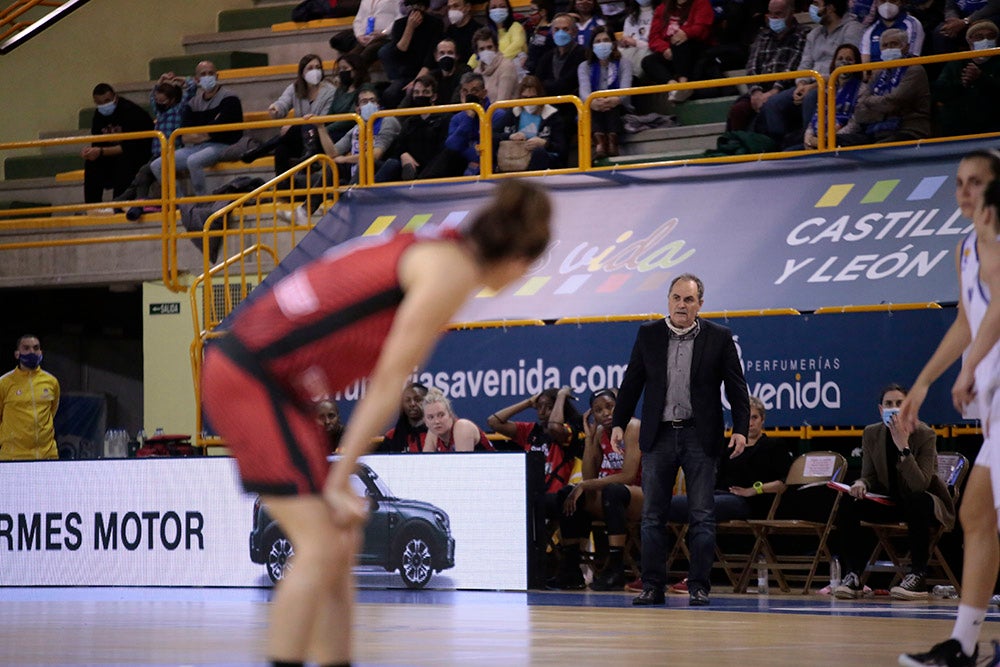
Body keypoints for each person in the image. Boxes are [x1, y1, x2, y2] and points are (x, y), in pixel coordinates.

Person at [200, 179, 552, 667]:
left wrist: (339, 484)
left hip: (273, 380)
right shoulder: (450, 271)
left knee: (339, 542)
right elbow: (389, 383)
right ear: (517, 258)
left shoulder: (439, 248)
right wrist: (341, 480)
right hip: (253, 378)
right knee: (321, 544)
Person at [897, 149, 1000, 667]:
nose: (965, 191)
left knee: (981, 511)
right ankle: (964, 644)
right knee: (978, 512)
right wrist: (922, 382)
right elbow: (967, 319)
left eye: (976, 182)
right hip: (996, 403)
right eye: (959, 182)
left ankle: (964, 645)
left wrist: (968, 369)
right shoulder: (965, 247)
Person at [611, 273, 751, 607]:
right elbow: (632, 382)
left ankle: (699, 586)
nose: (681, 305)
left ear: (700, 304)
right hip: (658, 435)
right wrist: (618, 422)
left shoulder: (719, 337)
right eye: (676, 298)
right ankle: (652, 586)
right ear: (668, 300)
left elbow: (736, 387)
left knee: (702, 514)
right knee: (652, 516)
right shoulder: (649, 334)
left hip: (699, 436)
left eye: (689, 300)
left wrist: (741, 428)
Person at [831, 383, 953, 602]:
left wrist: (903, 447)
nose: (894, 408)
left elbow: (920, 484)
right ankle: (854, 575)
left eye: (899, 403)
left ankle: (917, 574)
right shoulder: (871, 433)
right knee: (849, 502)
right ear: (880, 410)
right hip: (889, 501)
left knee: (917, 500)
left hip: (922, 504)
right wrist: (861, 484)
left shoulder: (925, 434)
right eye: (889, 404)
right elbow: (869, 475)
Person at [666, 395, 790, 593]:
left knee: (701, 509)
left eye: (754, 418)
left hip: (749, 502)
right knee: (668, 505)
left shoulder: (773, 445)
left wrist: (753, 490)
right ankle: (655, 573)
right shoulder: (730, 445)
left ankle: (696, 577)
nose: (749, 423)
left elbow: (783, 484)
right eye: (745, 418)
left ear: (763, 420)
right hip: (720, 495)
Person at [552, 388, 643, 591]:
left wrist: (585, 485)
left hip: (641, 494)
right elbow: (588, 477)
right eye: (598, 410)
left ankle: (616, 567)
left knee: (613, 490)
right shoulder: (600, 432)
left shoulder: (632, 427)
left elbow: (628, 476)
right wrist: (590, 439)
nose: (605, 413)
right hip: (613, 499)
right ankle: (571, 567)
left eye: (610, 407)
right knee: (568, 493)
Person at [756, 0, 864, 147]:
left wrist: (813, 86)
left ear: (830, 7)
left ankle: (813, 143)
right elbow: (805, 64)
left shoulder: (853, 29)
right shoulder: (814, 34)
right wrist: (801, 84)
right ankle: (780, 147)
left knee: (812, 97)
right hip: (810, 83)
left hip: (835, 84)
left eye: (816, 3)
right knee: (774, 103)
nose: (811, 8)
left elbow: (849, 65)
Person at [149, 60, 244, 197]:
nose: (207, 77)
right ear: (197, 79)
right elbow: (184, 135)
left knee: (193, 161)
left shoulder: (229, 98)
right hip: (198, 147)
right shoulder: (194, 103)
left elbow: (219, 132)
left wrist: (203, 133)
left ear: (216, 76)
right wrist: (206, 133)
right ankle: (180, 202)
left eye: (210, 73)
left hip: (223, 145)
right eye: (203, 74)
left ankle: (202, 200)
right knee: (157, 165)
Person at [116, 73, 196, 221]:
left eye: (163, 101)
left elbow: (192, 90)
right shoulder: (160, 112)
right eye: (158, 100)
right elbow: (153, 97)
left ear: (172, 100)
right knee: (141, 178)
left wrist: (183, 80)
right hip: (156, 154)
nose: (159, 103)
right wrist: (160, 82)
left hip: (171, 152)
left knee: (143, 172)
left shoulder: (179, 111)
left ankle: (130, 203)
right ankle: (128, 203)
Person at [243, 55, 338, 178]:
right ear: (302, 73)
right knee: (282, 149)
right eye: (310, 68)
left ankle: (262, 150)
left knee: (305, 124)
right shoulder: (295, 88)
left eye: (318, 67)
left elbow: (324, 118)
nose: (315, 71)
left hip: (322, 136)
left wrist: (294, 126)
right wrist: (275, 108)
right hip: (299, 138)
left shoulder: (330, 91)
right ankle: (283, 186)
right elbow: (283, 102)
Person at [725, 0, 809, 134]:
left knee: (772, 106)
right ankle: (736, 145)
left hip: (786, 88)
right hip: (760, 88)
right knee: (738, 110)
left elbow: (793, 66)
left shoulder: (802, 34)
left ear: (791, 13)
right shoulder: (762, 35)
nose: (774, 18)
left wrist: (774, 91)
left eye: (779, 14)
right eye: (771, 14)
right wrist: (756, 92)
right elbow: (752, 66)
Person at [837, 28, 931, 145]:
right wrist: (879, 107)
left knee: (878, 148)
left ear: (906, 47)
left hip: (907, 129)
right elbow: (860, 109)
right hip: (875, 130)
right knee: (835, 141)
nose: (889, 49)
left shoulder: (914, 70)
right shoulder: (878, 73)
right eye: (885, 45)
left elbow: (893, 103)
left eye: (894, 44)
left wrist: (871, 103)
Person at [487, 386, 582, 492]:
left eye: (549, 407)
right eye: (539, 407)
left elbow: (554, 427)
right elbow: (493, 422)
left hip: (555, 498)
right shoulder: (530, 430)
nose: (542, 412)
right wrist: (528, 403)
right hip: (531, 495)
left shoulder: (567, 432)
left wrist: (561, 396)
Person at [83, 83, 154, 209]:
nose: (104, 105)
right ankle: (92, 207)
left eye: (107, 101)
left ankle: (119, 205)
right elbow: (97, 143)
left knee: (124, 162)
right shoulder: (98, 116)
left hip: (138, 155)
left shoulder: (132, 112)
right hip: (111, 156)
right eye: (99, 103)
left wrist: (100, 151)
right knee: (92, 163)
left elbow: (131, 147)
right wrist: (91, 152)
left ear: (115, 97)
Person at [314, 85, 402, 185]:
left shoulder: (388, 121)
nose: (369, 104)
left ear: (378, 105)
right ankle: (314, 200)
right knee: (334, 165)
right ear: (357, 109)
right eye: (364, 102)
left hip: (385, 169)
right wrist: (321, 128)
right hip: (358, 172)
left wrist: (345, 159)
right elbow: (333, 153)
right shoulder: (357, 128)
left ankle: (352, 195)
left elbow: (374, 156)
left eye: (373, 101)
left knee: (365, 162)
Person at [375, 75, 450, 181]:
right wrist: (403, 154)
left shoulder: (444, 119)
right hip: (408, 169)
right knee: (376, 164)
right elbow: (398, 148)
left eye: (425, 92)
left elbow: (442, 153)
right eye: (416, 92)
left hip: (432, 172)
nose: (420, 96)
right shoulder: (409, 122)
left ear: (434, 97)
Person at [932, 20, 1000, 137]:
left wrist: (981, 79)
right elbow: (939, 92)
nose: (985, 41)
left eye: (990, 37)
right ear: (969, 40)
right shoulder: (957, 62)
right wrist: (962, 83)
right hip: (958, 126)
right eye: (979, 37)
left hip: (993, 124)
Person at [639, 0, 714, 103]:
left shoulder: (701, 3)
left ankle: (684, 84)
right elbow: (653, 37)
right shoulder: (663, 7)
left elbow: (702, 28)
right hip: (671, 51)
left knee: (678, 41)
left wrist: (686, 33)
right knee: (648, 61)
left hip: (695, 48)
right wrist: (665, 48)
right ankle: (674, 87)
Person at [419, 72, 492, 178]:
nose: (469, 95)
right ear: (461, 93)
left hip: (487, 166)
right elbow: (452, 147)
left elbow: (490, 148)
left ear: (484, 93)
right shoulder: (457, 118)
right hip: (460, 165)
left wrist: (465, 150)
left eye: (474, 91)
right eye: (465, 91)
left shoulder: (495, 113)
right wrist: (469, 116)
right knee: (446, 155)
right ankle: (423, 184)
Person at [0, 335, 60, 461]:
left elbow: (52, 412)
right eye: (26, 348)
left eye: (36, 348)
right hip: (13, 458)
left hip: (47, 456)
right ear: (17, 354)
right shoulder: (4, 383)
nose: (32, 352)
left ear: (41, 352)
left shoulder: (51, 381)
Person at [579, 26, 633, 160]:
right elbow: (584, 92)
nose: (602, 44)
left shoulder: (624, 63)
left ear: (613, 44)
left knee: (610, 106)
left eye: (606, 40)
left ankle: (611, 143)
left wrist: (615, 99)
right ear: (592, 46)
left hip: (620, 106)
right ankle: (601, 144)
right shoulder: (584, 66)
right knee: (595, 105)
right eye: (597, 41)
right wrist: (593, 102)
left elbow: (626, 91)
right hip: (594, 106)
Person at [492, 75, 568, 171]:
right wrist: (509, 136)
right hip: (515, 157)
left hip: (543, 158)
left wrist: (545, 144)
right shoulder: (514, 112)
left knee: (538, 152)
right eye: (525, 97)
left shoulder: (552, 115)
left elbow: (562, 147)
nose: (528, 101)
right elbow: (492, 135)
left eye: (532, 97)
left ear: (540, 96)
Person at [380, 0, 444, 108]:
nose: (415, 10)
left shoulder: (435, 24)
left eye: (418, 6)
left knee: (418, 90)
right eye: (411, 6)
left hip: (428, 72)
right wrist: (410, 28)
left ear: (425, 8)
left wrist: (417, 81)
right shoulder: (399, 25)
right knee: (390, 94)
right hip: (406, 74)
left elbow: (431, 58)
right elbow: (398, 54)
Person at [800, 43, 863, 149]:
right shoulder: (827, 90)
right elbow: (814, 120)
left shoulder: (861, 88)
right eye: (840, 58)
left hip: (842, 140)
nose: (844, 62)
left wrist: (827, 140)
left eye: (849, 59)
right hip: (818, 139)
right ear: (834, 63)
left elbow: (855, 124)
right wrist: (809, 139)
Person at [327, 0, 400, 67]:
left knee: (367, 53)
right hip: (367, 37)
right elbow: (358, 20)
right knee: (350, 56)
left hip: (386, 38)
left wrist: (384, 32)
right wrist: (359, 35)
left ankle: (358, 77)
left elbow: (400, 17)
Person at [421, 388, 495, 451]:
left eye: (441, 415)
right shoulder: (433, 432)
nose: (436, 421)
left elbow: (462, 466)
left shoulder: (462, 427)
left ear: (450, 415)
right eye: (430, 417)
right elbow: (424, 465)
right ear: (425, 422)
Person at [471, 26, 519, 102]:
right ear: (477, 52)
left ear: (496, 47)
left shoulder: (507, 66)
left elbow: (502, 103)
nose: (486, 51)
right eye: (482, 49)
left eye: (489, 47)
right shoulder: (477, 72)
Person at [380, 382, 429, 452]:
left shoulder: (437, 433)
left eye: (417, 399)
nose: (412, 404)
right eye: (407, 400)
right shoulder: (392, 436)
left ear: (428, 402)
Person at [618, 0, 656, 81]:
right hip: (631, 52)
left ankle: (633, 80)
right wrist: (623, 43)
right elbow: (625, 39)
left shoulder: (660, 13)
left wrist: (636, 43)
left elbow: (656, 43)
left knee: (645, 53)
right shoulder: (630, 18)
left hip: (650, 51)